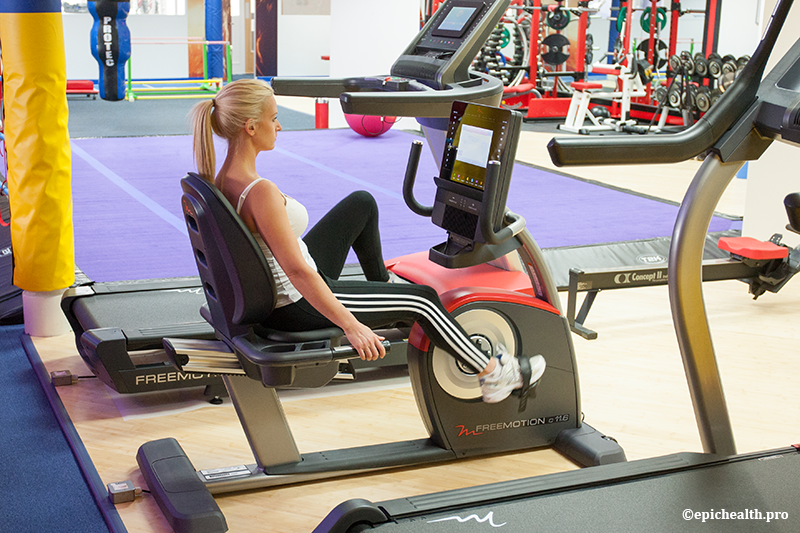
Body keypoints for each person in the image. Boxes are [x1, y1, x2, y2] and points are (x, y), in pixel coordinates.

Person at [189, 78, 545, 403]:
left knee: (361, 203)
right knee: (423, 300)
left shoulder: (224, 178)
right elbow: (297, 271)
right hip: (297, 303)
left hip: (291, 284)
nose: (279, 125)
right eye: (273, 118)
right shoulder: (259, 191)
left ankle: (382, 290)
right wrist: (351, 325)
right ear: (251, 127)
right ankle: (496, 374)